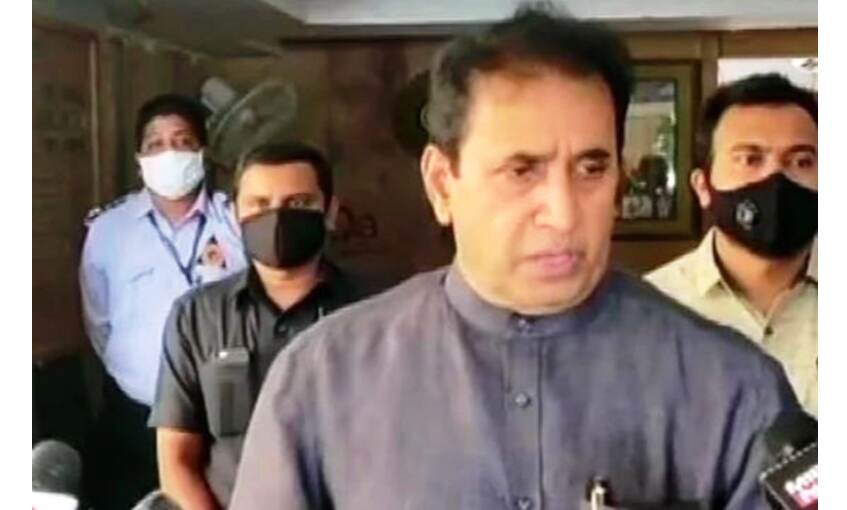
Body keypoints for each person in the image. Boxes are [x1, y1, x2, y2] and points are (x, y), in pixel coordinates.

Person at [230, 8, 799, 509]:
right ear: (442, 183)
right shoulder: (322, 380)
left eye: (591, 168)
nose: (564, 213)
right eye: (522, 170)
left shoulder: (732, 388)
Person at [149, 142, 372, 509]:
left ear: (330, 211)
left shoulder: (375, 313)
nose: (278, 217)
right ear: (235, 212)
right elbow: (176, 459)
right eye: (260, 204)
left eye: (298, 203)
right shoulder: (196, 316)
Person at [79, 94, 247, 509]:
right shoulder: (108, 229)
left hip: (222, 419)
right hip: (134, 416)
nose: (169, 153)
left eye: (182, 141)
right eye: (155, 144)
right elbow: (99, 321)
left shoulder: (237, 220)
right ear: (140, 160)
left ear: (202, 152)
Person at [646, 74, 817, 415]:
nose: (775, 178)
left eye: (801, 162)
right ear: (703, 187)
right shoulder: (650, 310)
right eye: (750, 159)